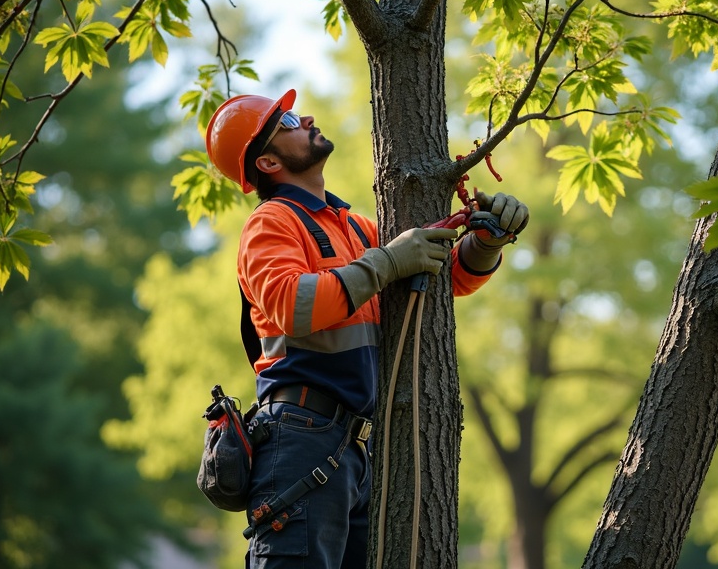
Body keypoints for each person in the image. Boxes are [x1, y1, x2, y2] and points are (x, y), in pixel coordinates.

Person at [204, 88, 528, 569]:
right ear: (269, 163)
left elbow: (441, 281)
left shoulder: (353, 226)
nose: (307, 117)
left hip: (356, 451)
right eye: (288, 120)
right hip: (299, 439)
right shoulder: (271, 223)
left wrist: (486, 241)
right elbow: (295, 304)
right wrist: (388, 260)